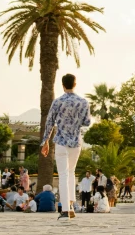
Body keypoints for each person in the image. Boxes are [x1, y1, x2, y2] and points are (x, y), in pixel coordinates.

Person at [40, 73, 92, 220]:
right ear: (75, 84)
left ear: (63, 85)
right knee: (71, 172)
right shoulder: (83, 102)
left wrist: (45, 142)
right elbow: (87, 122)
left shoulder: (57, 102)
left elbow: (49, 122)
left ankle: (65, 210)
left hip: (61, 142)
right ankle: (71, 205)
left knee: (63, 174)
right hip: (76, 142)